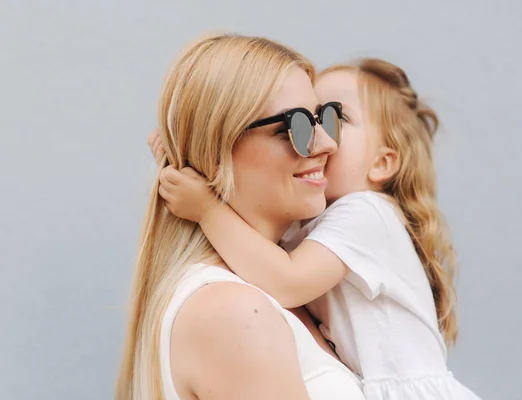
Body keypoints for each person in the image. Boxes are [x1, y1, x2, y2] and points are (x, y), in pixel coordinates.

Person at [153, 58, 481, 399]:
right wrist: (184, 154)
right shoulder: (314, 222)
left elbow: (287, 281)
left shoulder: (366, 212)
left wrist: (207, 210)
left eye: (333, 119)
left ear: (382, 163)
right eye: (304, 122)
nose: (321, 139)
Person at [117, 33, 366, 400]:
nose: (328, 144)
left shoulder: (290, 293)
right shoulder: (233, 313)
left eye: (323, 118)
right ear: (217, 148)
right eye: (293, 127)